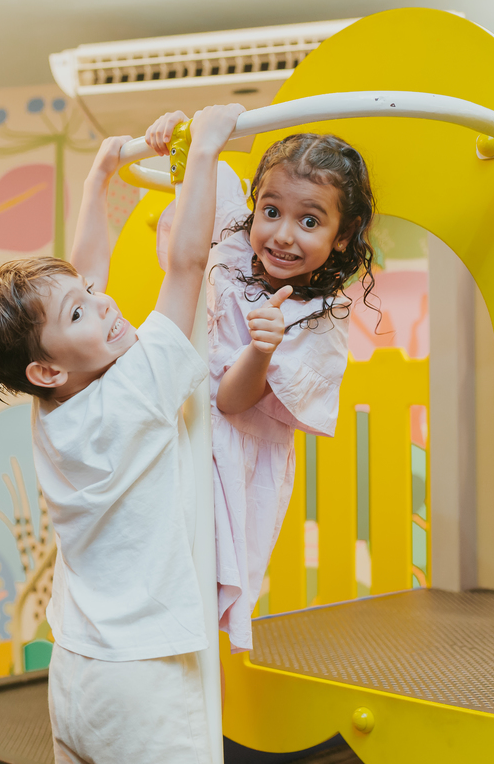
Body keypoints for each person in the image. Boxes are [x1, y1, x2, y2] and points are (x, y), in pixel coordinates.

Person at [0, 103, 244, 764]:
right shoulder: (133, 394)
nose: (106, 302)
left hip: (79, 672)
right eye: (84, 310)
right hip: (144, 676)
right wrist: (201, 153)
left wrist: (100, 179)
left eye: (90, 292)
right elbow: (187, 267)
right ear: (47, 366)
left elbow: (83, 275)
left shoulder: (57, 407)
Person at [145, 114, 377, 653]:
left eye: (309, 221)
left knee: (199, 585)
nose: (282, 235)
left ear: (342, 238)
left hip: (234, 456)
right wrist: (176, 133)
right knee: (156, 564)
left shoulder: (318, 319)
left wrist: (262, 349)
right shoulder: (231, 239)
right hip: (182, 428)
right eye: (270, 211)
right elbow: (200, 174)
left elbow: (230, 401)